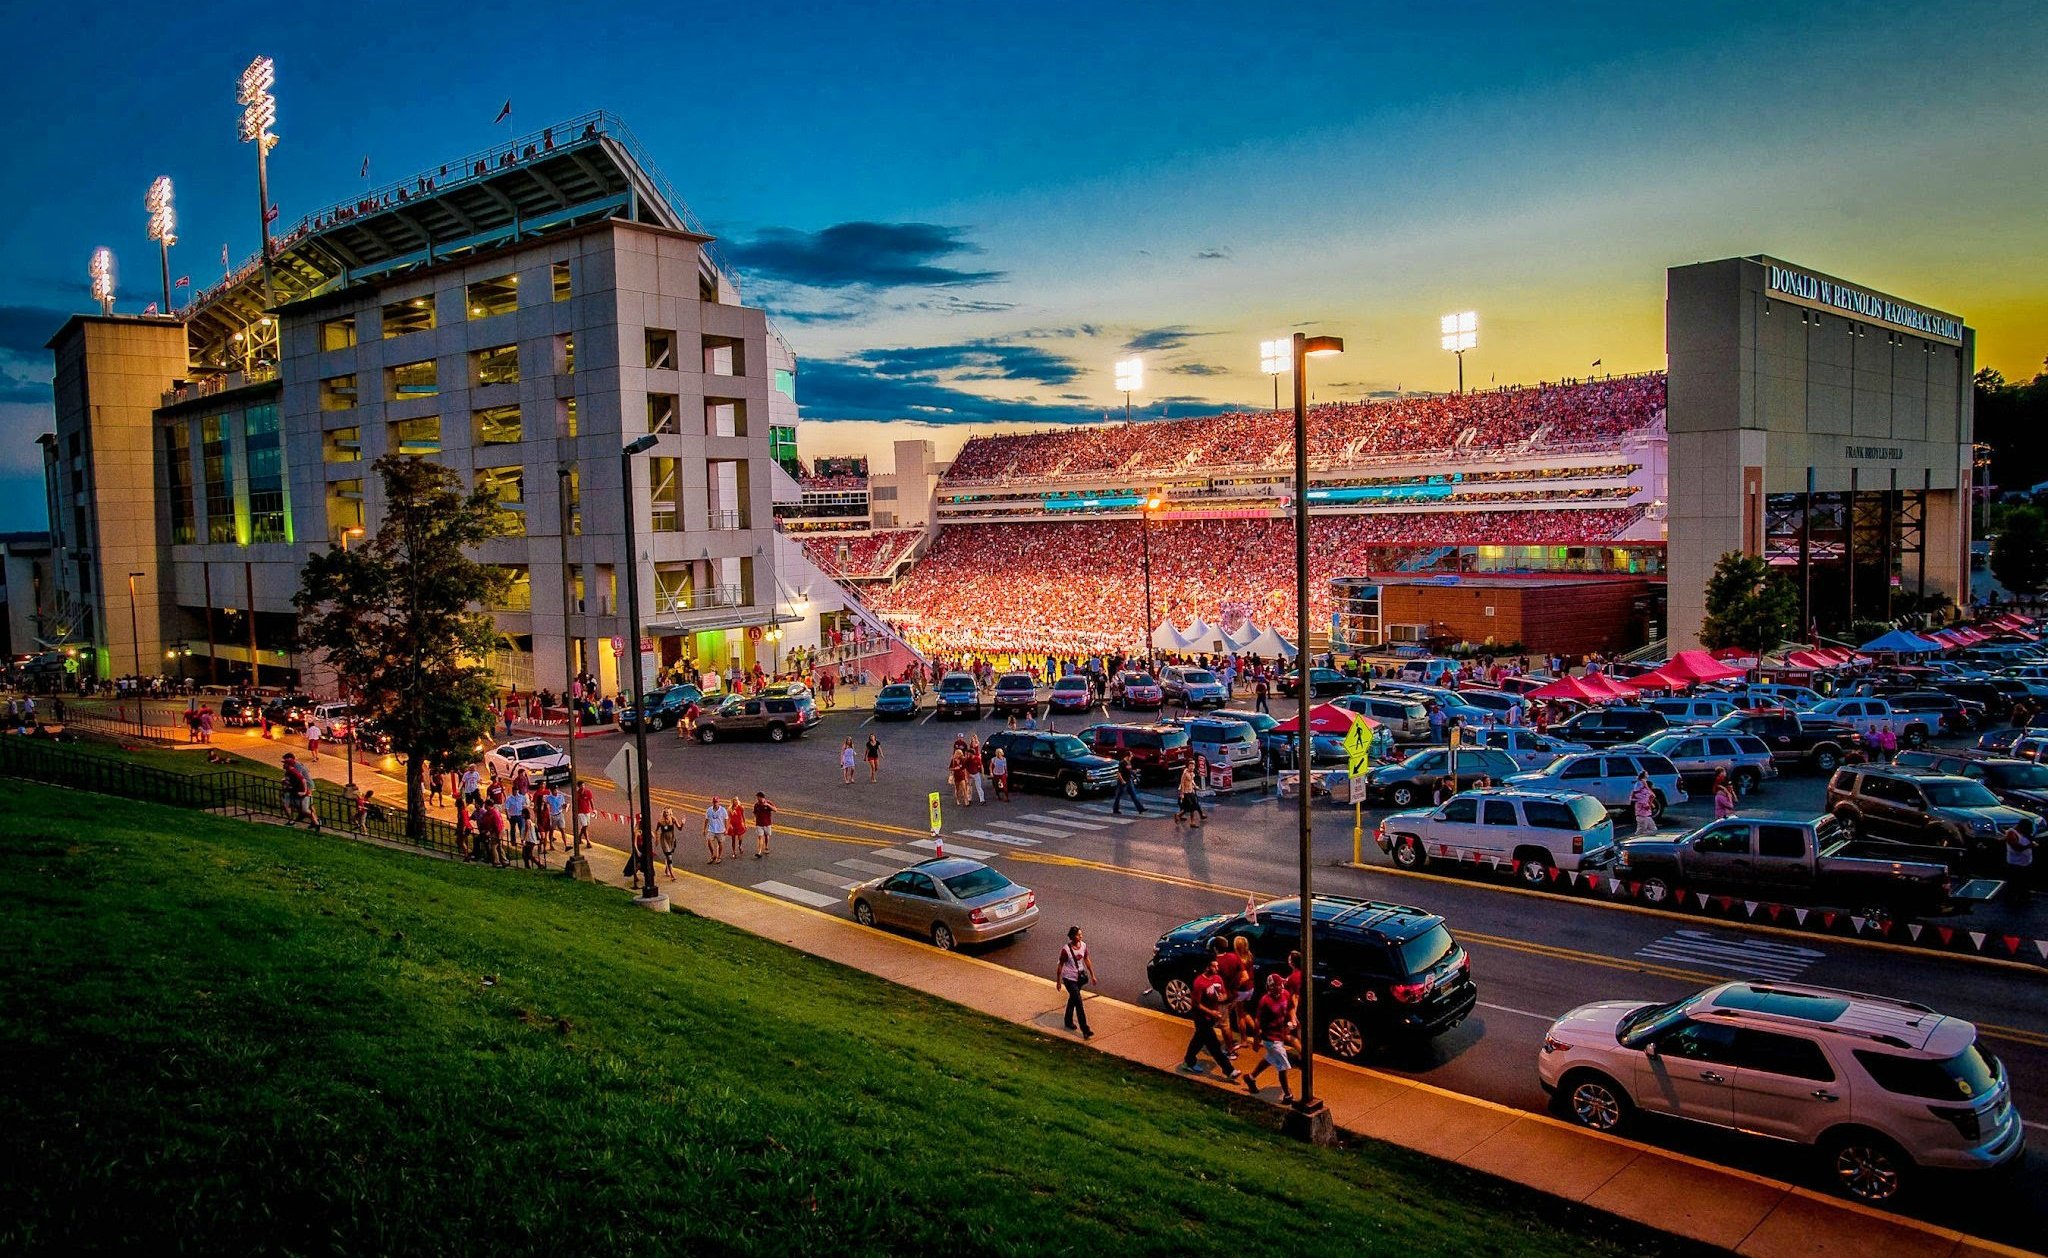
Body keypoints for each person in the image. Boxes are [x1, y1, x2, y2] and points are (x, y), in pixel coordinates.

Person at [1180, 957, 1241, 1080]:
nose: (1217, 968)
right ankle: (1229, 1071)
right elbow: (1196, 1003)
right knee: (1214, 1046)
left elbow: (1222, 993)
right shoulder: (1199, 983)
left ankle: (1188, 1061)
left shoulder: (1217, 979)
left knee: (1198, 1040)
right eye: (1215, 966)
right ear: (1208, 967)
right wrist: (1211, 1012)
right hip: (1202, 1017)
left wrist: (1223, 998)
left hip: (1212, 1017)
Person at [1242, 972, 1297, 1103]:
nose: (1277, 989)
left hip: (1280, 1035)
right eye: (1274, 987)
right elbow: (1257, 1021)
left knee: (1271, 1059)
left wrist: (1293, 1019)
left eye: (1279, 986)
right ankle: (1287, 1094)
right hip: (1270, 1038)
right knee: (1283, 1066)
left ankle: (1250, 1077)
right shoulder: (1265, 1001)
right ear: (1269, 987)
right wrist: (1256, 1040)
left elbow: (1290, 1008)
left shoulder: (1285, 995)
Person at [1054, 926, 1095, 1039]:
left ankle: (1068, 1021)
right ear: (1072, 937)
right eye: (1078, 935)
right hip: (1069, 979)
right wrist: (1058, 981)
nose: (1080, 936)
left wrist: (1092, 975)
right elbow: (1060, 965)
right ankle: (1085, 1029)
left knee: (1073, 999)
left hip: (1079, 978)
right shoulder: (1066, 950)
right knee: (1078, 1003)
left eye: (1081, 934)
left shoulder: (1083, 946)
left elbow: (1086, 959)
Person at [281, 753, 318, 830]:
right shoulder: (292, 767)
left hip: (307, 785)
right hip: (301, 786)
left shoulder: (296, 767)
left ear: (290, 759)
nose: (284, 763)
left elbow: (302, 779)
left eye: (285, 760)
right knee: (307, 804)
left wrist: (304, 791)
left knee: (308, 804)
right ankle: (312, 819)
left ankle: (315, 820)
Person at [2004, 824, 2035, 906]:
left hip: (2025, 863)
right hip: (2015, 864)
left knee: (2024, 881)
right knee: (2014, 882)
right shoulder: (2012, 833)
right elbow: (2017, 848)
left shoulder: (2025, 834)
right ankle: (2011, 899)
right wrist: (2030, 845)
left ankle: (2024, 897)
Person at [1112, 749, 1145, 815]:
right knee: (1118, 796)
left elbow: (1130, 771)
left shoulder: (1129, 762)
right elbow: (1119, 773)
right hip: (1123, 782)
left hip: (1129, 781)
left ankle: (1140, 809)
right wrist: (1122, 781)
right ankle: (1115, 809)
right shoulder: (1122, 763)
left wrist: (1135, 772)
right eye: (1131, 755)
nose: (1132, 756)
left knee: (1134, 795)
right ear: (1127, 756)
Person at [1175, 761, 1206, 829]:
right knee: (1191, 807)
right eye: (1190, 766)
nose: (1192, 768)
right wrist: (1182, 794)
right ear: (1188, 767)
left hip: (1191, 792)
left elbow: (1192, 781)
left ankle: (1178, 815)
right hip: (1186, 793)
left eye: (1193, 766)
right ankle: (1192, 822)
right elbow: (1182, 784)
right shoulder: (1185, 774)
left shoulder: (1192, 773)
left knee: (1194, 805)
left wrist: (1196, 786)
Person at [1630, 771, 1657, 836]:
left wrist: (1650, 803)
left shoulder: (1644, 793)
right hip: (1642, 816)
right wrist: (1647, 804)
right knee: (1640, 832)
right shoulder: (1642, 785)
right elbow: (1638, 797)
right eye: (1646, 774)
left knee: (1653, 830)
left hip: (1646, 815)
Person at [704, 795, 727, 864]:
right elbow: (706, 819)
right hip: (711, 829)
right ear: (712, 802)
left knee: (720, 843)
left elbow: (726, 819)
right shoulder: (709, 810)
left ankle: (719, 857)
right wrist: (704, 828)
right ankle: (713, 855)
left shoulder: (723, 810)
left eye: (716, 802)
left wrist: (726, 829)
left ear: (719, 802)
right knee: (709, 841)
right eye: (714, 802)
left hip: (720, 829)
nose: (715, 803)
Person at [656, 808, 679, 879]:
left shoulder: (673, 819)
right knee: (669, 856)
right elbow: (656, 830)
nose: (666, 814)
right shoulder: (660, 821)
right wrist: (656, 839)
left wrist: (683, 823)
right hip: (664, 839)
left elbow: (679, 828)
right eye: (665, 812)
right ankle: (672, 875)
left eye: (667, 812)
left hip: (671, 839)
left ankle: (667, 870)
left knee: (669, 855)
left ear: (670, 813)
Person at [753, 791, 776, 859]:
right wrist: (754, 818)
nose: (757, 798)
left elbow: (775, 809)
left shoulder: (768, 803)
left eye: (758, 797)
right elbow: (755, 812)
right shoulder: (756, 805)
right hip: (759, 824)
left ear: (761, 797)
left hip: (767, 823)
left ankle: (766, 846)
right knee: (760, 837)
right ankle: (759, 851)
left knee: (766, 836)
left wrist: (768, 805)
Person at [574, 782, 595, 849]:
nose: (583, 786)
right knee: (585, 825)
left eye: (583, 785)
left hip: (587, 811)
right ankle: (588, 842)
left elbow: (591, 801)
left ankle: (579, 837)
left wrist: (593, 809)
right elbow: (575, 803)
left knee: (586, 826)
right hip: (580, 812)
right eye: (581, 785)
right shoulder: (576, 794)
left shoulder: (588, 792)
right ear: (579, 786)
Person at [726, 794, 747, 861]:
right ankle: (734, 851)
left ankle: (740, 846)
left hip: (739, 825)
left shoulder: (741, 807)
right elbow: (729, 818)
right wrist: (729, 825)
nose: (736, 801)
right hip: (733, 825)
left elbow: (743, 816)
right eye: (735, 800)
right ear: (733, 801)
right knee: (733, 839)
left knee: (740, 838)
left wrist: (744, 823)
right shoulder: (730, 809)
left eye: (737, 800)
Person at [965, 736, 986, 806]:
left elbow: (981, 766)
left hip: (976, 774)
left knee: (978, 786)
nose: (968, 754)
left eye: (969, 753)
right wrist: (967, 776)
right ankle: (969, 799)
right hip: (970, 774)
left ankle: (982, 799)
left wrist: (982, 774)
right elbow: (966, 768)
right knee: (969, 787)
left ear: (972, 754)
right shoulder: (967, 760)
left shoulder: (977, 759)